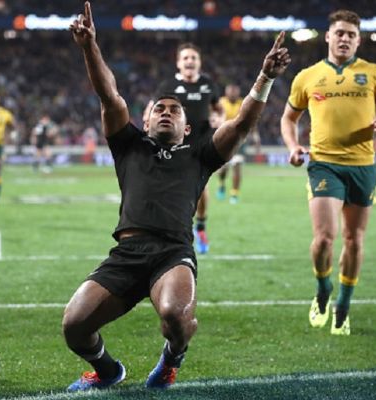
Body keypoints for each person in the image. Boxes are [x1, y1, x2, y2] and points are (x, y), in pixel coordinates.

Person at [64, 1, 290, 391]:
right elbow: (109, 96)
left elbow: (240, 125)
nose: (167, 112)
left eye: (175, 110)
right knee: (74, 325)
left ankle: (172, 359)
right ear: (146, 119)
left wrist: (264, 78)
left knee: (174, 315)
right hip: (126, 254)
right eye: (159, 109)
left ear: (188, 128)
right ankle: (107, 371)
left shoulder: (200, 154)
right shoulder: (128, 144)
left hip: (172, 252)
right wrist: (89, 47)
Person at [280, 10, 376, 336]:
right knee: (323, 239)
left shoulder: (373, 73)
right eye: (340, 33)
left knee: (354, 239)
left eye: (351, 34)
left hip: (363, 166)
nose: (345, 38)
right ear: (329, 37)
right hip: (324, 164)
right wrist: (293, 146)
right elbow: (288, 119)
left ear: (358, 40)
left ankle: (343, 306)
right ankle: (323, 289)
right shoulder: (307, 76)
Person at [142, 41, 223, 254]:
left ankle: (201, 227)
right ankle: (165, 229)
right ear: (179, 63)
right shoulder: (167, 86)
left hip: (200, 145)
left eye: (193, 58)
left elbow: (219, 109)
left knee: (201, 188)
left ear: (199, 63)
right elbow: (151, 110)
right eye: (185, 58)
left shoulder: (208, 84)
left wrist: (218, 118)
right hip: (174, 145)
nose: (190, 61)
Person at [216, 84, 260, 204]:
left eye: (235, 91)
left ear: (238, 92)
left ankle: (234, 194)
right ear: (226, 92)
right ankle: (221, 184)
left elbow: (251, 120)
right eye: (230, 91)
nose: (232, 94)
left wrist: (256, 138)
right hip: (223, 140)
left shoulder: (243, 103)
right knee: (223, 169)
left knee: (237, 165)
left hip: (239, 140)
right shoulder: (220, 103)